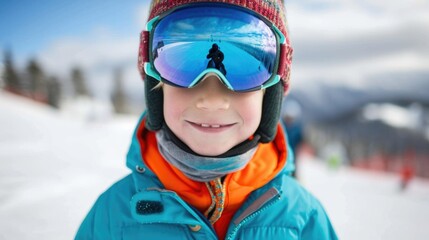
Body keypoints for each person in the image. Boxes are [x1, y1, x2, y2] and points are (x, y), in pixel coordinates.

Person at [75, 1, 338, 239]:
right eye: (181, 62)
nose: (212, 98)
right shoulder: (110, 219)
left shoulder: (304, 219)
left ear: (271, 94)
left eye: (245, 70)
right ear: (156, 85)